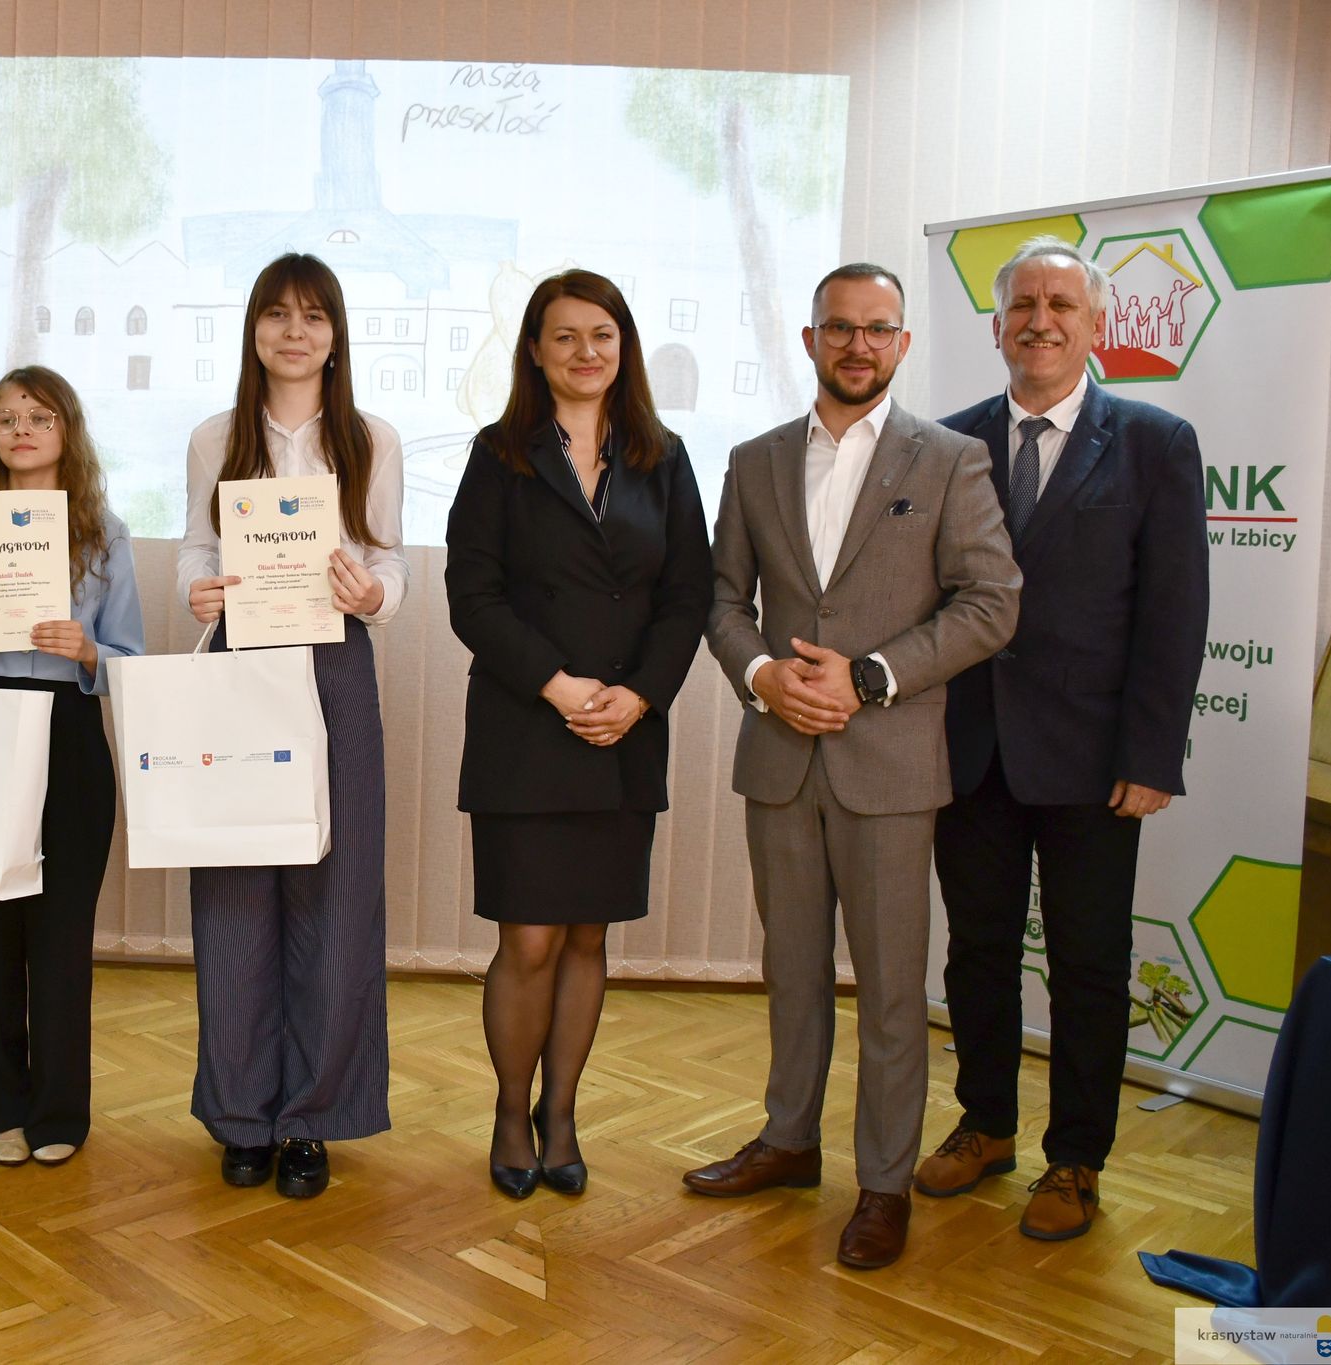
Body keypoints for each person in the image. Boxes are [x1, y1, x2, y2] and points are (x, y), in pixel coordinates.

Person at [687, 262, 1020, 1269]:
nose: (858, 345)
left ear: (903, 343)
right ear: (810, 340)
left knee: (888, 992)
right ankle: (789, 1141)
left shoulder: (951, 459)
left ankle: (883, 1184)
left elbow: (991, 603)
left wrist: (869, 677)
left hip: (890, 766)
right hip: (779, 758)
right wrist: (761, 677)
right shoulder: (753, 460)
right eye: (839, 327)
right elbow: (721, 601)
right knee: (790, 972)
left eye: (878, 329)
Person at [919, 236, 1209, 1240]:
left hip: (1094, 761)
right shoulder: (947, 442)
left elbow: (1173, 612)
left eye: (1061, 305)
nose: (1040, 321)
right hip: (970, 749)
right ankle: (986, 1125)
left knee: (1088, 963)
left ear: (1095, 327)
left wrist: (1150, 756)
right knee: (977, 953)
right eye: (1023, 305)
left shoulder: (1155, 443)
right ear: (997, 325)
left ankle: (1076, 1158)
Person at [445, 269, 713, 1199]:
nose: (585, 351)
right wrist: (559, 686)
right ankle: (509, 1112)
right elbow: (471, 596)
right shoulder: (499, 454)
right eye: (564, 336)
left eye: (601, 334)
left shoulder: (664, 456)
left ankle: (562, 1115)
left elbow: (689, 596)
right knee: (529, 941)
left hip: (623, 732)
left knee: (589, 939)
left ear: (623, 346)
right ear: (535, 350)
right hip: (527, 728)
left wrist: (638, 696)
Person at [178, 252, 405, 1199]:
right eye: (277, 314)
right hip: (240, 662)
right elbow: (196, 545)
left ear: (336, 334)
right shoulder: (215, 436)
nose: (295, 331)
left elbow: (391, 560)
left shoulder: (371, 438)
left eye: (313, 315)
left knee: (335, 894)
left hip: (336, 665)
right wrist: (196, 587)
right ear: (254, 330)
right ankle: (241, 1115)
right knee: (235, 892)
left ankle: (310, 1118)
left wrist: (374, 594)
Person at [0, 365, 144, 1168]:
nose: (20, 429)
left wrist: (87, 651)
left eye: (39, 416)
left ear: (67, 431)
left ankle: (57, 1111)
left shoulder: (104, 532)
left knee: (59, 935)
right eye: (6, 417)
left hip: (70, 736)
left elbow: (129, 659)